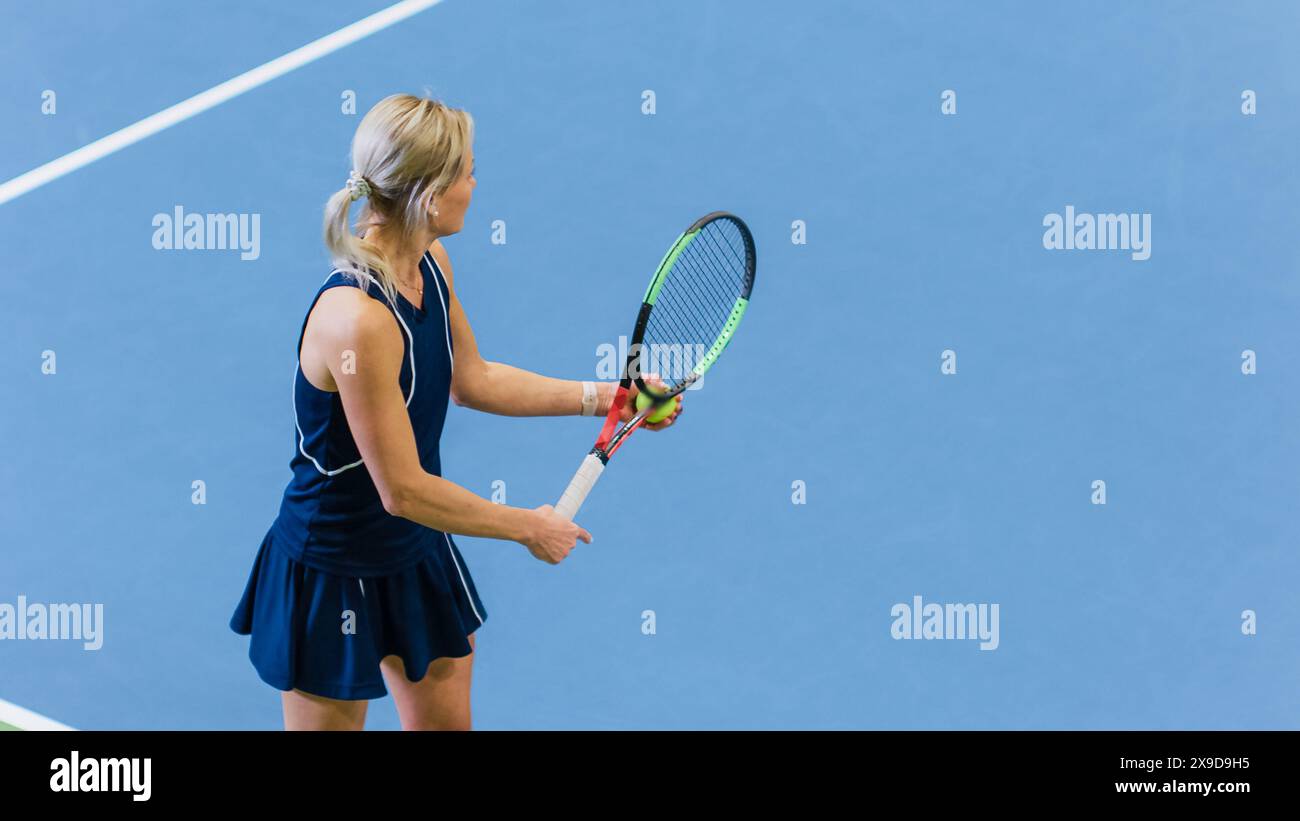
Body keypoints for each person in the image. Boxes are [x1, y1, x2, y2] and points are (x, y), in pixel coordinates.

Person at [230, 94, 681, 730]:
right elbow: (403, 489)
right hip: (332, 566)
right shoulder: (357, 321)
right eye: (467, 172)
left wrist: (611, 397)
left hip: (412, 549)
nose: (476, 184)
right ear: (430, 194)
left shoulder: (429, 263)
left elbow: (474, 381)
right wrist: (528, 525)